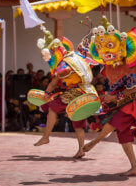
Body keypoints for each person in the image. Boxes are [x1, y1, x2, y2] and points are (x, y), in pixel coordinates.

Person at [83, 16, 136, 176]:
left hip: (135, 104)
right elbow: (118, 87)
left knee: (116, 120)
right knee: (124, 136)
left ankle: (95, 141)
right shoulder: (112, 66)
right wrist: (110, 96)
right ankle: (134, 167)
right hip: (123, 102)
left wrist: (115, 98)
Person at [33, 26, 98, 159]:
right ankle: (81, 150)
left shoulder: (63, 66)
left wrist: (46, 93)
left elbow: (53, 82)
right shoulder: (77, 57)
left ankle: (46, 137)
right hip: (87, 92)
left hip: (75, 92)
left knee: (52, 108)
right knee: (77, 123)